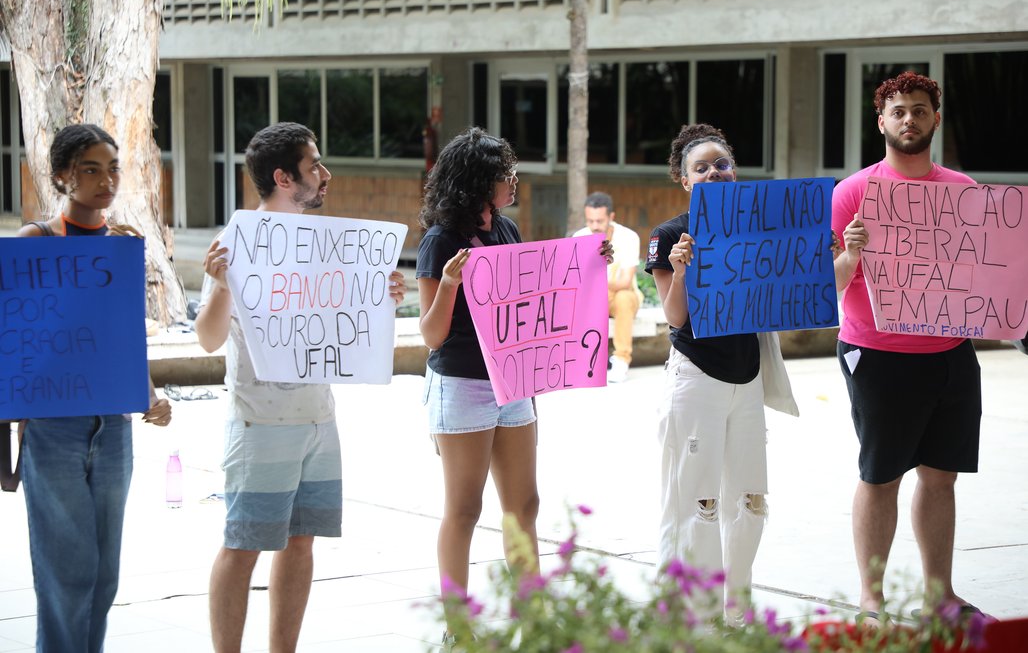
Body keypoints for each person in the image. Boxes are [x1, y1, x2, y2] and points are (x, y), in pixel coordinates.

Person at [195, 122, 406, 653]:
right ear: (284, 177)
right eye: (315, 166)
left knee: (301, 541)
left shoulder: (325, 240)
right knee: (243, 544)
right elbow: (206, 338)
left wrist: (382, 296)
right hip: (260, 421)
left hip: (319, 419)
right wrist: (221, 285)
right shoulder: (238, 240)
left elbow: (343, 316)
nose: (325, 175)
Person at [416, 127, 610, 648]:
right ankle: (457, 625)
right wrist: (452, 284)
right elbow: (431, 334)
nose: (514, 181)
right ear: (480, 180)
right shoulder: (440, 240)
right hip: (461, 383)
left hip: (513, 382)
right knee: (464, 508)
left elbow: (535, 301)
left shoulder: (505, 230)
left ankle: (532, 617)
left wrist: (591, 269)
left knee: (524, 504)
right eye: (506, 174)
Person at [832, 72, 983, 625]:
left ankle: (939, 596)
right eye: (898, 111)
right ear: (881, 122)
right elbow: (829, 282)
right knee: (881, 475)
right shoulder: (852, 192)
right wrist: (851, 252)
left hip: (951, 351)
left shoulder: (963, 191)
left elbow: (982, 272)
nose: (909, 120)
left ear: (935, 119)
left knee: (941, 476)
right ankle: (871, 601)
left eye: (920, 110)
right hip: (878, 353)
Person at [16, 123, 172, 653]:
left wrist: (148, 395)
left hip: (114, 429)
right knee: (67, 573)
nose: (106, 180)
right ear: (63, 176)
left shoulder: (122, 248)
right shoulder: (35, 242)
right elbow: (13, 339)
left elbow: (121, 338)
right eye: (90, 169)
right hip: (54, 428)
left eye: (112, 168)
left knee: (104, 575)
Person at [644, 123, 771, 619]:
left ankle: (737, 610)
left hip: (748, 379)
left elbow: (789, 298)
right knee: (696, 503)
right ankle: (689, 615)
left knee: (751, 499)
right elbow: (675, 317)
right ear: (684, 180)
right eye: (702, 167)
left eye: (722, 164)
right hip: (697, 377)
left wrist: (823, 255)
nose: (715, 173)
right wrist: (681, 270)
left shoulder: (758, 227)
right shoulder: (669, 235)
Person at [573, 191, 643, 382]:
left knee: (624, 297)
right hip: (593, 298)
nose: (594, 226)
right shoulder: (579, 237)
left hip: (621, 297)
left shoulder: (629, 237)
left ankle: (620, 361)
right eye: (590, 221)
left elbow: (625, 283)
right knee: (583, 301)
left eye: (599, 221)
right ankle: (590, 359)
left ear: (611, 217)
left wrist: (594, 280)